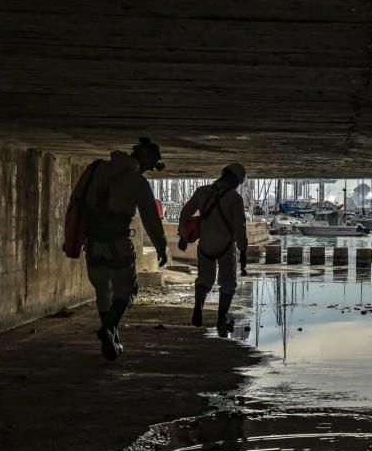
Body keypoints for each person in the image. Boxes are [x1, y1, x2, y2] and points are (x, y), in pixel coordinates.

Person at [69, 137, 168, 361]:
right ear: (145, 162)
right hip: (118, 245)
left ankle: (112, 337)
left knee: (102, 291)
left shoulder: (95, 169)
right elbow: (151, 219)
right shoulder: (137, 182)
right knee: (126, 291)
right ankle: (109, 328)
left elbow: (76, 201)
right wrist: (161, 247)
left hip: (92, 243)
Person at [178, 163, 249, 334]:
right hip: (226, 247)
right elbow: (240, 227)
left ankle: (198, 307)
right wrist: (243, 250)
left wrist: (182, 236)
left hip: (205, 245)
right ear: (233, 180)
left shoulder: (202, 192)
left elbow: (185, 213)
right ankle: (221, 318)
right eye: (237, 183)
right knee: (228, 284)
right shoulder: (234, 198)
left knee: (204, 280)